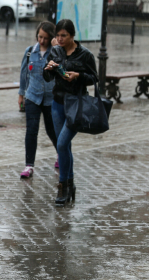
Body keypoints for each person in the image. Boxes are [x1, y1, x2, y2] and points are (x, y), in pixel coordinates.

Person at [43, 19, 98, 205]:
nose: (59, 39)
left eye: (63, 35)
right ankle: (70, 185)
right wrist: (49, 69)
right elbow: (48, 77)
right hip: (57, 103)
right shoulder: (56, 50)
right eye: (57, 35)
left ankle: (62, 187)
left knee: (61, 144)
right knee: (64, 146)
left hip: (76, 105)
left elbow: (94, 78)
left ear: (72, 36)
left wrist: (78, 76)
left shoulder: (85, 55)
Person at [18, 21, 59, 179]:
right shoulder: (30, 52)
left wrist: (56, 49)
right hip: (32, 97)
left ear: (51, 38)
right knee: (31, 131)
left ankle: (60, 155)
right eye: (40, 37)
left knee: (52, 130)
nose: (41, 41)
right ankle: (29, 165)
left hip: (50, 98)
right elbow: (24, 75)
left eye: (45, 38)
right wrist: (21, 94)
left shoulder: (55, 52)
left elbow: (63, 66)